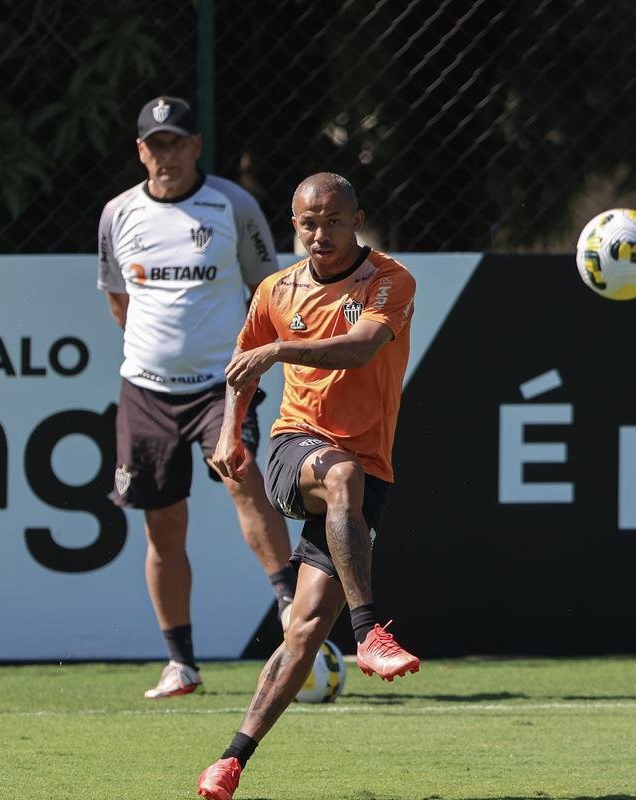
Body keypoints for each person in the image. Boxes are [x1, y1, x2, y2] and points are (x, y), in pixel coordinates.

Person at [196, 172, 420, 799]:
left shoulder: (390, 281)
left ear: (357, 220)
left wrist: (280, 351)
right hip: (295, 448)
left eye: (332, 221)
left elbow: (359, 348)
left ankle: (231, 760)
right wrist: (228, 437)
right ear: (294, 225)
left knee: (303, 628)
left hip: (368, 465)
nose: (320, 234)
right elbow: (242, 369)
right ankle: (371, 631)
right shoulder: (275, 289)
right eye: (307, 223)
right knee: (340, 473)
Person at [97, 96, 297, 699]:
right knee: (163, 526)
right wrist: (157, 354)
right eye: (154, 145)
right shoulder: (118, 214)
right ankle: (180, 662)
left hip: (222, 384)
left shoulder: (233, 206)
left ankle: (290, 606)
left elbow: (267, 289)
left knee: (242, 479)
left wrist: (249, 365)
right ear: (140, 151)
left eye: (175, 143)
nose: (165, 156)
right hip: (146, 389)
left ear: (195, 146)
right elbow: (118, 300)